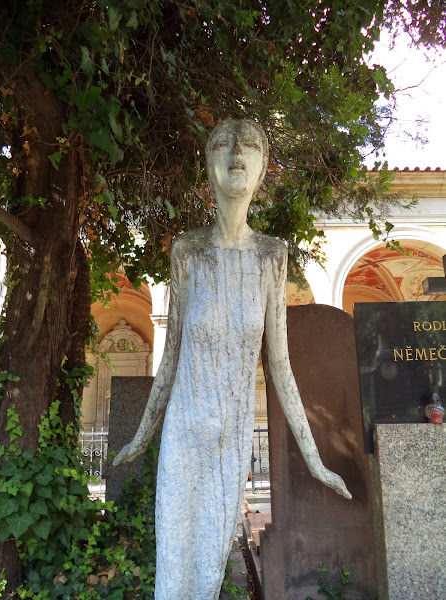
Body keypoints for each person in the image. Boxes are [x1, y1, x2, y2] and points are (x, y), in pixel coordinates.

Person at [113, 119, 351, 600]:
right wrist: (141, 435)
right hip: (184, 431)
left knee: (206, 573)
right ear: (208, 165)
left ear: (263, 169)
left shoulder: (271, 256)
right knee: (173, 568)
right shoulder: (188, 251)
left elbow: (280, 367)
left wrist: (314, 459)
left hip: (231, 438)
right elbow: (171, 356)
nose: (237, 153)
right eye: (223, 144)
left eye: (251, 146)